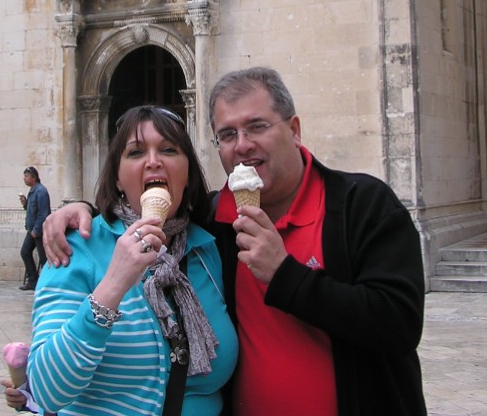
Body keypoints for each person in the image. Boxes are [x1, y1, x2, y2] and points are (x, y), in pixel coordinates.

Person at [42, 67, 427, 415]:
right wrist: (80, 210)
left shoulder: (361, 205)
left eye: (257, 126)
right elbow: (147, 208)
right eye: (227, 134)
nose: (242, 144)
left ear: (294, 130)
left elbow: (400, 324)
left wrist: (284, 275)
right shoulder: (215, 222)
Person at [2, 105, 238, 415]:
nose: (153, 161)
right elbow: (47, 391)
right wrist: (113, 284)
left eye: (168, 149)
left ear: (188, 174)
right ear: (117, 178)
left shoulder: (207, 247)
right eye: (136, 152)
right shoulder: (75, 247)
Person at [19, 166, 51, 291]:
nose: (24, 178)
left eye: (26, 176)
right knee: (25, 252)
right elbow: (32, 210)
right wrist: (25, 204)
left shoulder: (41, 191)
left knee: (44, 258)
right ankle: (33, 280)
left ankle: (48, 283)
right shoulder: (32, 191)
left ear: (34, 177)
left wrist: (36, 230)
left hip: (39, 231)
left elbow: (43, 213)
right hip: (31, 230)